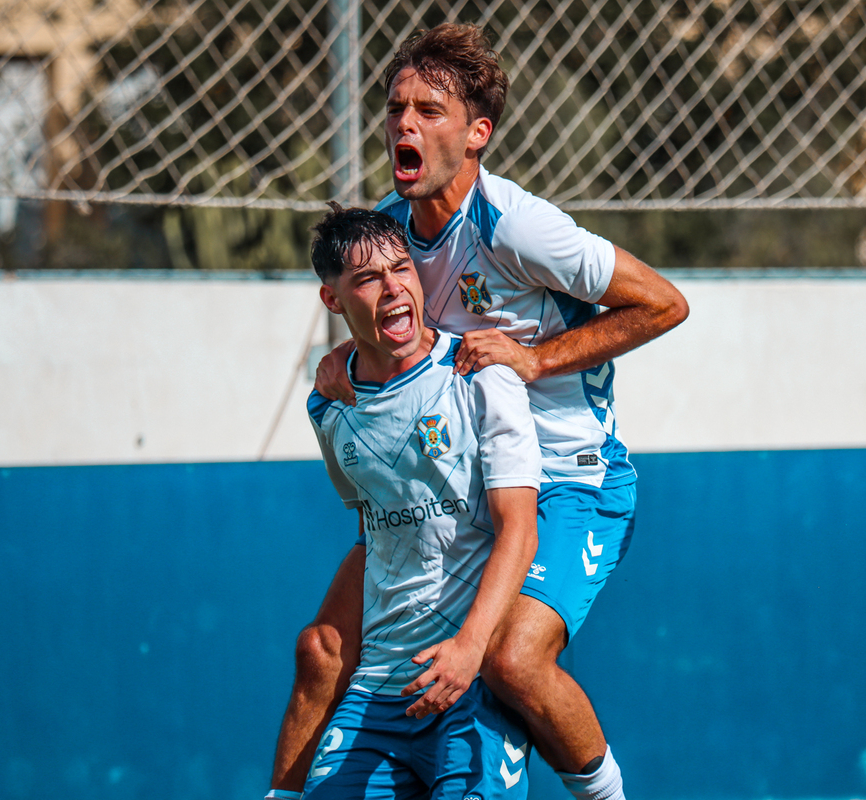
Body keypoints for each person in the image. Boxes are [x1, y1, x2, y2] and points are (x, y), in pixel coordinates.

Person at [270, 22, 688, 800]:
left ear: (476, 134)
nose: (404, 124)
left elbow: (664, 303)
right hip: (452, 485)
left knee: (510, 660)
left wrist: (535, 360)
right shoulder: (390, 232)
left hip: (566, 479)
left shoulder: (517, 226)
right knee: (322, 649)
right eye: (396, 108)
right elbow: (379, 315)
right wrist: (343, 359)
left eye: (430, 111)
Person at [300, 203, 539, 799]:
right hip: (379, 688)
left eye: (401, 268)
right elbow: (372, 525)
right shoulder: (329, 407)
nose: (393, 289)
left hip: (470, 683)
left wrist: (470, 650)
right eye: (366, 279)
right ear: (333, 300)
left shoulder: (481, 374)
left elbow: (519, 530)